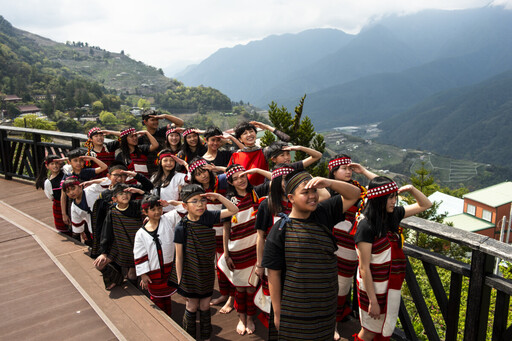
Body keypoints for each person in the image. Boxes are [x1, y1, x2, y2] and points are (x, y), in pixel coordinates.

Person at [262, 170, 360, 340]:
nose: (312, 196)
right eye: (305, 192)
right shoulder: (280, 231)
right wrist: (278, 313)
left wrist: (328, 183)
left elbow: (354, 194)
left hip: (325, 302)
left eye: (313, 191)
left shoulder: (323, 213)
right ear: (291, 198)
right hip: (295, 305)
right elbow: (273, 275)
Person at [354, 177, 432, 341]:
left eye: (395, 196)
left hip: (390, 287)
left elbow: (426, 204)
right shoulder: (365, 226)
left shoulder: (393, 215)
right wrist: (372, 301)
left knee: (384, 328)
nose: (394, 201)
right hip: (372, 288)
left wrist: (411, 188)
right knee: (369, 331)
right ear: (379, 199)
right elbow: (364, 267)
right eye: (390, 197)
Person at [168, 184, 239, 341]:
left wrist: (219, 197)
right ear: (185, 206)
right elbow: (178, 256)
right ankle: (189, 336)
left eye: (202, 200)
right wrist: (180, 281)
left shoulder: (208, 217)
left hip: (206, 270)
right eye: (195, 201)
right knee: (192, 306)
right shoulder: (181, 227)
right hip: (189, 272)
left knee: (205, 305)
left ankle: (206, 336)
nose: (200, 205)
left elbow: (234, 210)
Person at [327, 154, 377, 339]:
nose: (348, 172)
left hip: (353, 244)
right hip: (334, 243)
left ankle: (340, 316)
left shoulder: (359, 188)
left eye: (350, 168)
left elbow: (384, 186)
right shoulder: (327, 190)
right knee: (335, 286)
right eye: (343, 168)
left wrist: (363, 170)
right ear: (333, 171)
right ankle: (331, 324)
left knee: (345, 285)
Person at [217, 164, 271, 335]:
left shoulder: (257, 193)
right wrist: (226, 253)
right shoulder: (229, 201)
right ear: (231, 183)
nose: (241, 180)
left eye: (243, 176)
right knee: (240, 287)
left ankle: (250, 318)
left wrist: (256, 171)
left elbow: (276, 178)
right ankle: (241, 317)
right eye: (236, 178)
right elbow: (226, 229)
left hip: (255, 249)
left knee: (251, 287)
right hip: (237, 250)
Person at [134, 195, 182, 316]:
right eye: (153, 209)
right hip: (154, 271)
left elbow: (185, 208)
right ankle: (163, 320)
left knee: (168, 297)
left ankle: (169, 316)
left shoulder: (168, 219)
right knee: (157, 299)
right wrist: (143, 274)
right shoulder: (141, 233)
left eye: (159, 208)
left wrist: (170, 203)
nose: (157, 212)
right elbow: (140, 254)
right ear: (145, 212)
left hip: (170, 268)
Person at [93, 183, 146, 290]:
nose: (125, 195)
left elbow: (153, 201)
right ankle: (117, 278)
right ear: (114, 198)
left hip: (136, 247)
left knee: (132, 275)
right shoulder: (112, 212)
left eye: (127, 192)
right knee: (99, 264)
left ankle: (137, 295)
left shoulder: (136, 206)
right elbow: (106, 233)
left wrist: (141, 192)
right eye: (121, 193)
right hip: (119, 246)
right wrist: (103, 253)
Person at [228, 121, 290, 186]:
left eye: (251, 131)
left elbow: (286, 139)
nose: (249, 134)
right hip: (243, 193)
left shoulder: (264, 152)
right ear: (240, 139)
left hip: (261, 192)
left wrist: (266, 127)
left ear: (255, 133)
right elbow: (229, 176)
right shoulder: (235, 156)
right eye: (245, 133)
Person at [60, 148, 108, 227]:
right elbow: (63, 195)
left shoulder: (87, 172)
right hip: (72, 205)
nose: (78, 163)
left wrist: (92, 158)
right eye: (75, 160)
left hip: (88, 204)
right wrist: (64, 214)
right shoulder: (67, 176)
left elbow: (104, 167)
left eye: (81, 160)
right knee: (77, 226)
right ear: (69, 162)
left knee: (89, 226)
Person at [138, 109, 184, 175]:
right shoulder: (141, 138)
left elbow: (180, 123)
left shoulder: (162, 131)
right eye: (152, 120)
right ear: (145, 122)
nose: (156, 122)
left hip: (165, 170)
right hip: (148, 172)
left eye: (157, 119)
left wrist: (165, 116)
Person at [62, 176, 104, 244]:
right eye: (68, 191)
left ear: (80, 186)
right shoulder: (74, 207)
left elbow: (107, 181)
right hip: (93, 228)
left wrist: (92, 182)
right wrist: (82, 232)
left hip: (107, 220)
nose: (71, 192)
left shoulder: (91, 189)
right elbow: (77, 223)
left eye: (73, 188)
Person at [35, 154, 69, 235]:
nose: (55, 166)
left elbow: (72, 162)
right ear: (47, 166)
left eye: (57, 163)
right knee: (65, 229)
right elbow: (51, 197)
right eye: (52, 164)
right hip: (58, 205)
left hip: (70, 201)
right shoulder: (48, 182)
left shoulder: (65, 171)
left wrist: (64, 159)